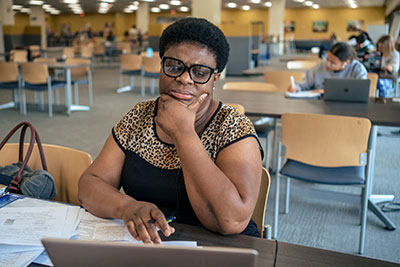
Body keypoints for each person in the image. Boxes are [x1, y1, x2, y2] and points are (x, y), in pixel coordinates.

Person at [78, 17, 263, 244]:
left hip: (222, 249)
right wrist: (127, 207)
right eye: (174, 66)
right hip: (149, 244)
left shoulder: (233, 127)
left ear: (215, 78)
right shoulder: (140, 116)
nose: (184, 78)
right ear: (161, 66)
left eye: (200, 72)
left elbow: (230, 222)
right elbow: (90, 184)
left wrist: (183, 132)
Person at [288, 42, 368, 93]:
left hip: (348, 109)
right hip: (319, 107)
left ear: (345, 63)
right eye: (327, 59)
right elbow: (304, 83)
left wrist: (325, 92)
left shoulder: (357, 69)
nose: (327, 64)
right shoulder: (320, 66)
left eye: (332, 63)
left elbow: (360, 93)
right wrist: (295, 87)